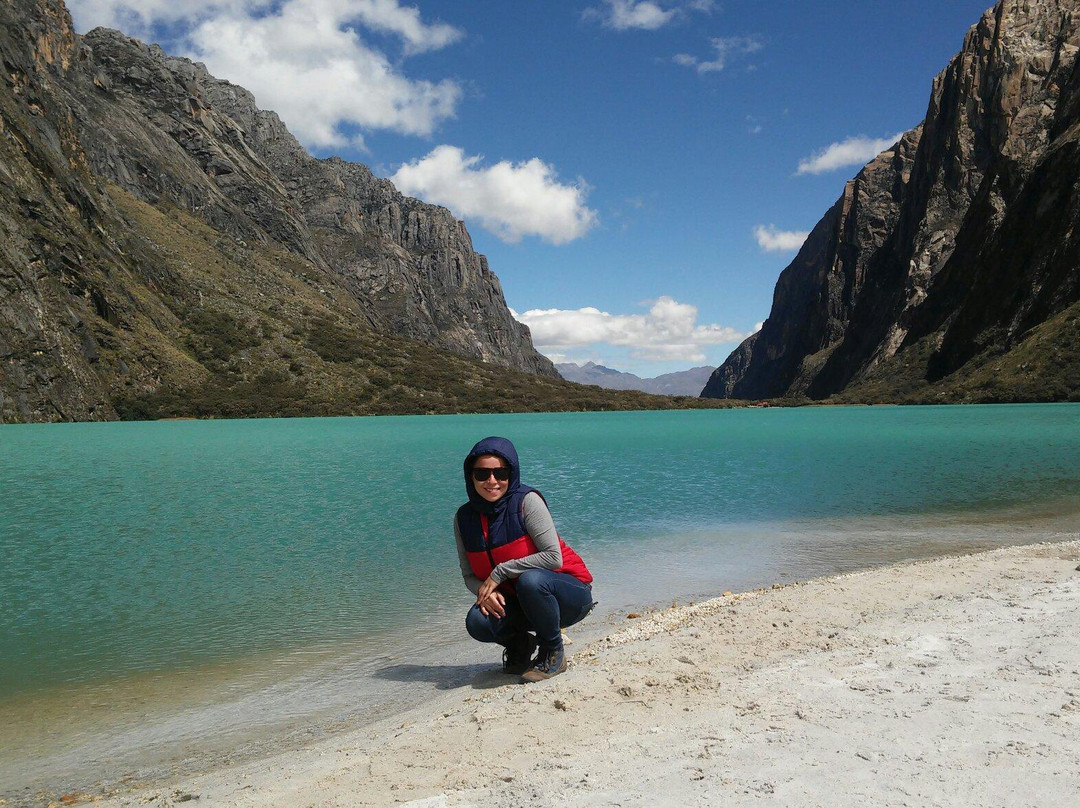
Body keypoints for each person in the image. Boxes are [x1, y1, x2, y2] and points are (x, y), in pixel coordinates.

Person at [454, 436, 595, 682]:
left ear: (512, 473)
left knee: (532, 581)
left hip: (568, 595)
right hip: (521, 601)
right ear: (470, 476)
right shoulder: (463, 518)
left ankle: (553, 651)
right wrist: (483, 592)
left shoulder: (527, 502)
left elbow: (553, 558)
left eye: (501, 473)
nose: (492, 481)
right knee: (477, 621)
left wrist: (501, 571)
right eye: (482, 474)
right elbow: (469, 575)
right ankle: (521, 646)